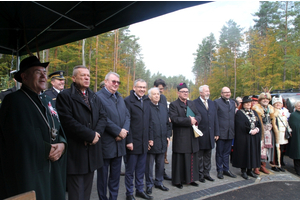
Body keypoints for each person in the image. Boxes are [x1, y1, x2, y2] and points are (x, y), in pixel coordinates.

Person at [0, 56, 67, 200]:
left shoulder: (47, 100)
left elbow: (58, 126)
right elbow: (17, 138)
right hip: (31, 171)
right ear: (24, 76)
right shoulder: (14, 101)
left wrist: (62, 143)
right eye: (38, 72)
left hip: (52, 168)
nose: (44, 75)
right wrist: (45, 149)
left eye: (44, 72)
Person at [56, 65, 107, 200]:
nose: (86, 78)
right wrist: (89, 135)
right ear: (73, 78)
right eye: (83, 75)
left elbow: (103, 117)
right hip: (76, 152)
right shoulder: (65, 96)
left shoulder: (94, 96)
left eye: (88, 76)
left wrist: (96, 134)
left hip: (92, 150)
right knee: (76, 192)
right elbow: (67, 121)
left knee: (87, 191)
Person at [96, 72, 130, 200]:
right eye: (113, 81)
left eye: (118, 82)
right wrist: (117, 131)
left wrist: (124, 131)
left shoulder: (119, 97)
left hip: (119, 145)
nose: (116, 84)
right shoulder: (98, 97)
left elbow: (127, 116)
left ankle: (113, 198)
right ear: (106, 82)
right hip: (106, 144)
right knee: (103, 177)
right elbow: (102, 117)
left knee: (115, 177)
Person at [124, 79, 153, 200]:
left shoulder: (147, 101)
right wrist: (129, 141)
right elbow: (126, 122)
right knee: (130, 170)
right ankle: (129, 193)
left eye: (144, 87)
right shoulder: (127, 101)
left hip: (144, 142)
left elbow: (150, 122)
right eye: (140, 87)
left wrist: (150, 139)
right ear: (134, 87)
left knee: (141, 169)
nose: (142, 90)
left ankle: (139, 190)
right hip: (133, 142)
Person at [169, 83, 201, 189]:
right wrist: (189, 120)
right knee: (180, 160)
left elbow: (198, 115)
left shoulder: (191, 103)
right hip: (181, 137)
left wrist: (195, 120)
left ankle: (190, 179)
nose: (185, 93)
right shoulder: (174, 105)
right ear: (178, 93)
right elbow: (174, 119)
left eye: (187, 91)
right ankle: (178, 181)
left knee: (192, 159)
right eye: (183, 92)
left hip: (192, 137)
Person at [145, 87, 171, 195]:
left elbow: (168, 124)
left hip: (162, 141)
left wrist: (168, 136)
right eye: (154, 94)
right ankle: (149, 185)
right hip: (152, 142)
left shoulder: (164, 108)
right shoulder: (146, 108)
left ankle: (159, 182)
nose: (157, 96)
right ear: (149, 96)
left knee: (160, 165)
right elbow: (145, 126)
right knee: (149, 166)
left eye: (158, 94)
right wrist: (148, 139)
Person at [193, 85, 219, 183]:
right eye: (206, 91)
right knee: (199, 156)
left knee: (208, 155)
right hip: (200, 134)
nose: (208, 93)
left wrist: (216, 132)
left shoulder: (212, 103)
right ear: (201, 93)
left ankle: (206, 173)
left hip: (210, 134)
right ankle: (200, 175)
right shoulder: (195, 103)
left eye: (208, 91)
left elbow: (215, 118)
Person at [232, 96, 261, 179]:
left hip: (253, 137)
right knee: (244, 153)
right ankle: (243, 171)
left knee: (252, 153)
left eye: (249, 103)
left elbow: (258, 122)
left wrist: (257, 129)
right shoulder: (239, 113)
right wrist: (249, 130)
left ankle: (250, 170)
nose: (248, 104)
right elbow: (240, 125)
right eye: (246, 103)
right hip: (244, 137)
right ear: (243, 104)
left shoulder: (254, 112)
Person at [252, 90, 280, 174]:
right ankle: (256, 167)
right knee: (259, 149)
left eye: (267, 99)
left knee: (266, 149)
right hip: (260, 131)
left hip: (269, 132)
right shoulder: (256, 108)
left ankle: (263, 166)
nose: (265, 101)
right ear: (260, 100)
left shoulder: (271, 108)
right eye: (263, 99)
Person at [214, 87, 236, 179]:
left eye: (229, 92)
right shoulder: (217, 102)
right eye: (225, 92)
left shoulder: (232, 102)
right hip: (220, 133)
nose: (227, 94)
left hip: (230, 132)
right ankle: (219, 170)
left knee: (227, 153)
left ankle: (226, 169)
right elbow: (214, 118)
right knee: (219, 152)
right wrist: (216, 132)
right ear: (221, 94)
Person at [153, 78, 172, 181]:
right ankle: (149, 179)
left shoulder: (163, 98)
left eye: (162, 89)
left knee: (161, 158)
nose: (161, 91)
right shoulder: (149, 98)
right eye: (160, 89)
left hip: (163, 131)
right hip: (153, 133)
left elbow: (166, 111)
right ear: (154, 87)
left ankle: (162, 174)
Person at [272, 95, 291, 171]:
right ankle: (274, 165)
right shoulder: (272, 111)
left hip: (283, 133)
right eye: (276, 103)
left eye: (279, 103)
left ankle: (280, 163)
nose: (278, 105)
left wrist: (289, 130)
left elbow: (286, 122)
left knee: (282, 149)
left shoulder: (285, 111)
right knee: (276, 149)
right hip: (276, 133)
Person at [286, 101, 300, 176]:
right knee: (297, 153)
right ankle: (297, 169)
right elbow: (292, 125)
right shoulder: (293, 115)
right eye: (298, 105)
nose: (299, 106)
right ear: (295, 106)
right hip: (296, 136)